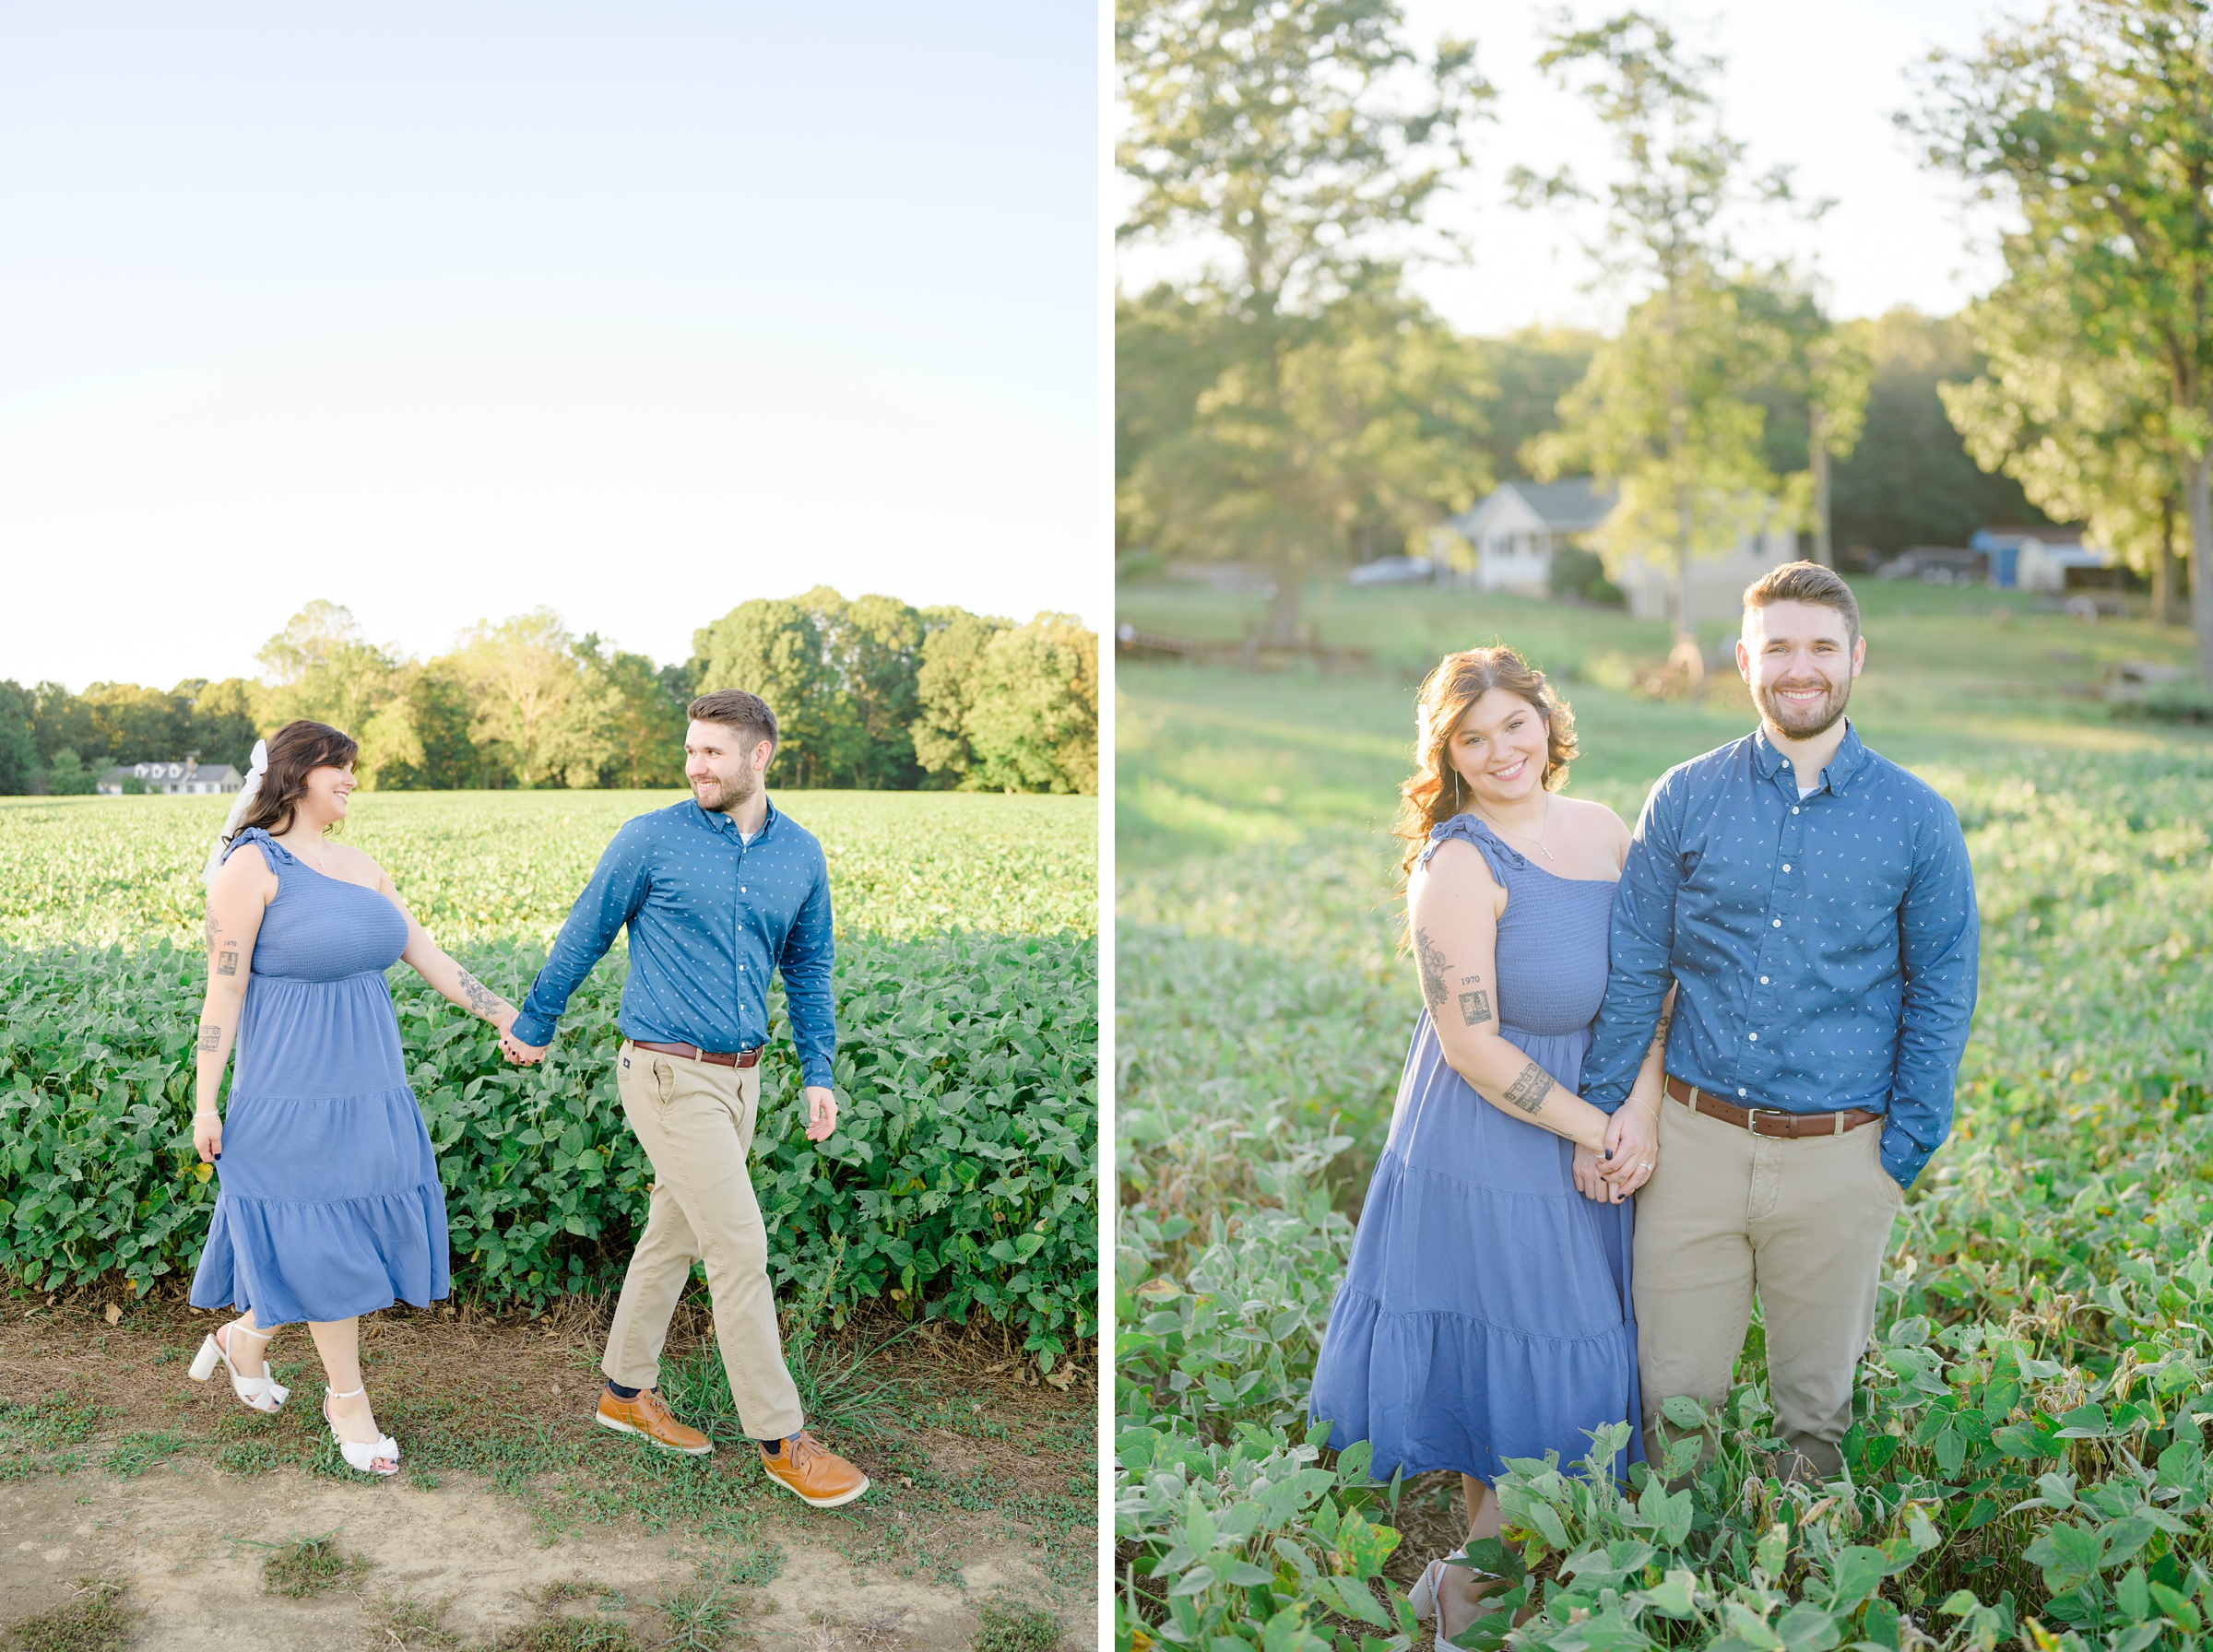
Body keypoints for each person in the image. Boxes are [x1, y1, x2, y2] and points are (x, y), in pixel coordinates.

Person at [1582, 562, 1979, 1481]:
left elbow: (1942, 986)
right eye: (1780, 647)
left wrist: (1900, 1151)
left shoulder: (1918, 820)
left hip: (1843, 1155)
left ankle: (1797, 1598)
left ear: (1855, 658)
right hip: (1691, 1146)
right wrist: (1611, 1110)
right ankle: (1674, 1598)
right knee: (1673, 1407)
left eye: (1822, 647)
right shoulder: (1684, 795)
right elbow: (1639, 964)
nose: (1802, 667)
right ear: (1745, 658)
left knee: (1816, 1417)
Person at [1306, 648, 1673, 1640]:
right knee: (1559, 1396)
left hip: (1601, 1128)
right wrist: (1597, 1127)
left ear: (1547, 722)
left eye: (1514, 724)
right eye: (1474, 737)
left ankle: (1456, 1600)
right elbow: (1469, 1041)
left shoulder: (1602, 830)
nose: (1500, 749)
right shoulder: (1458, 862)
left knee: (1528, 1392)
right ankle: (1470, 1604)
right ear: (1450, 756)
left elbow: (1652, 986)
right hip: (1489, 1147)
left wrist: (1636, 1116)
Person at [499, 688, 869, 1509]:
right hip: (665, 1073)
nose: (695, 765)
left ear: (759, 757)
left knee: (674, 1236)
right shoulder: (652, 840)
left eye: (712, 753)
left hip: (746, 1078)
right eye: (691, 750)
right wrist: (535, 1021)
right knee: (739, 1246)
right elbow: (586, 931)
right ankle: (782, 1440)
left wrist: (818, 1071)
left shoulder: (798, 856)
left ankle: (624, 1395)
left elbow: (810, 971)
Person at [187, 720, 525, 1476]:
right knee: (329, 1250)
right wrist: (206, 1104)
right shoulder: (248, 868)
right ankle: (348, 1402)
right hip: (287, 1099)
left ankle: (246, 1338)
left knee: (345, 1236)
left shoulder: (362, 865)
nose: (351, 781)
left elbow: (426, 953)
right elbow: (222, 992)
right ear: (297, 774)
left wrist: (505, 1012)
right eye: (340, 768)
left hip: (369, 1092)